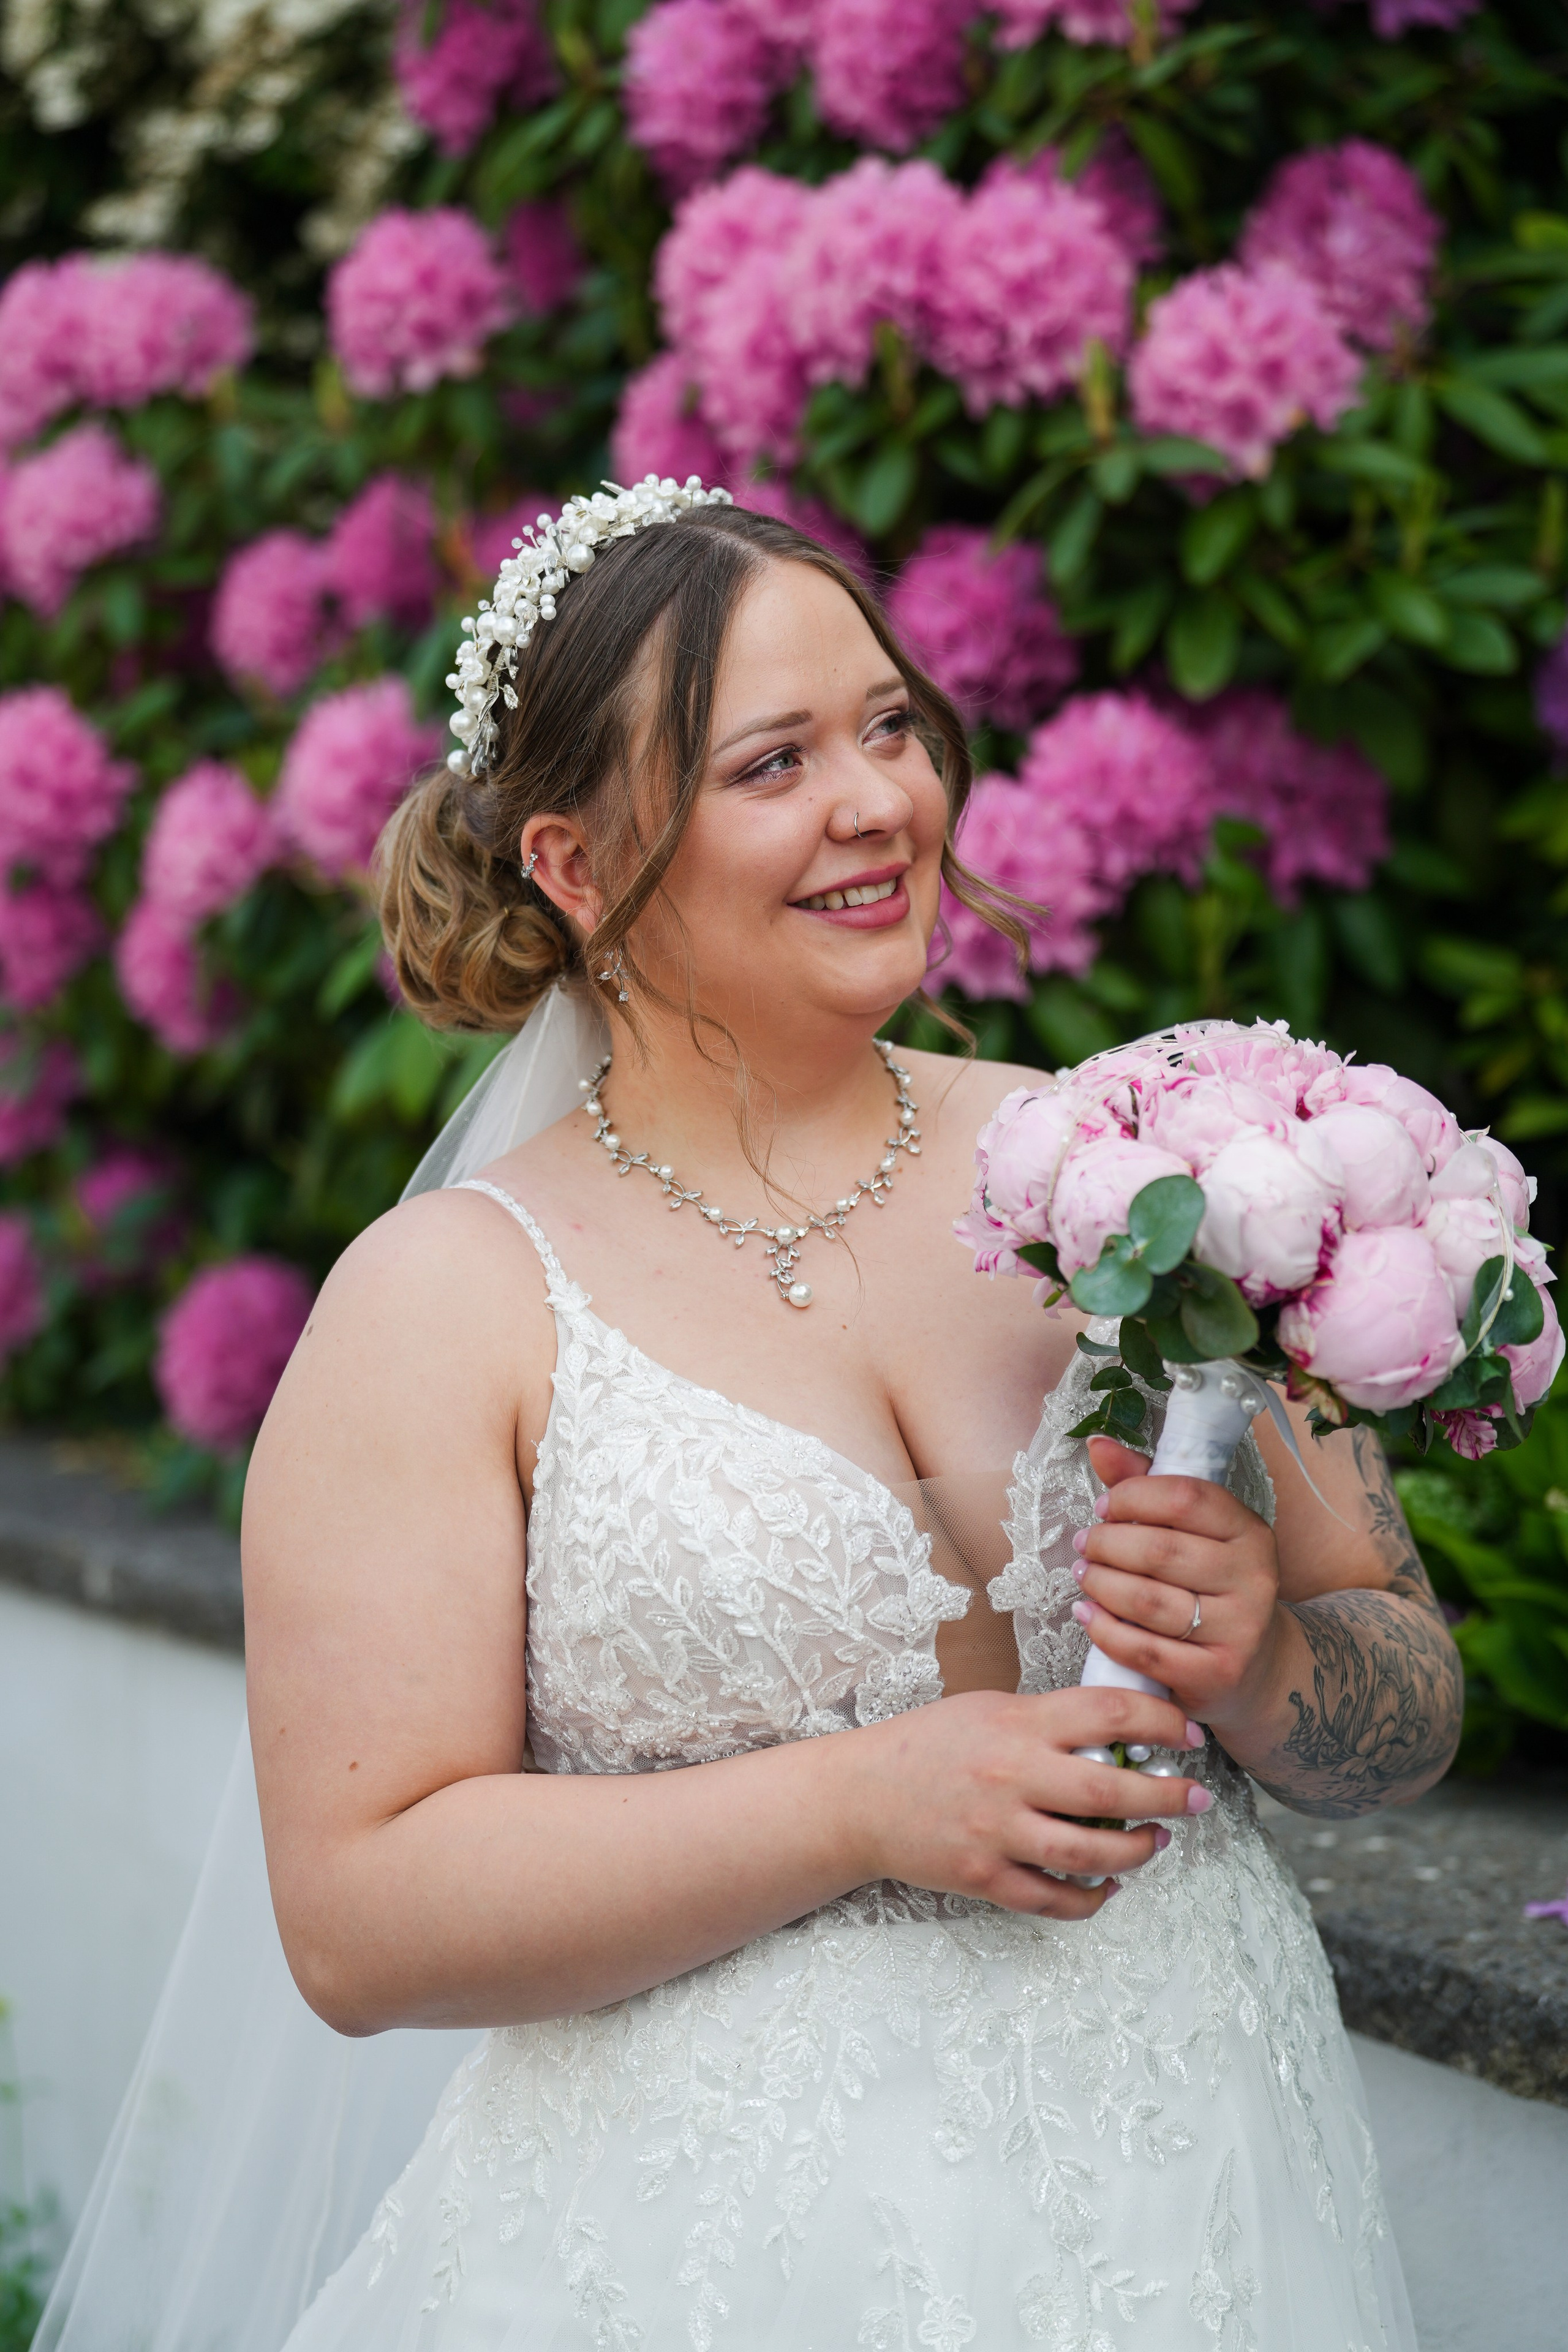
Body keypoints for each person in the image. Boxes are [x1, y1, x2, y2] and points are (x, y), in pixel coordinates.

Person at [239, 487, 1452, 2348]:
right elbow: (358, 1916)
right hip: (716, 2266)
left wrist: (1272, 1658)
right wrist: (854, 1803)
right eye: (773, 761)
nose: (878, 801)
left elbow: (1407, 1708)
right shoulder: (442, 1306)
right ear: (574, 864)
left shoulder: (1149, 1166)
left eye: (891, 726)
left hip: (1207, 2197)